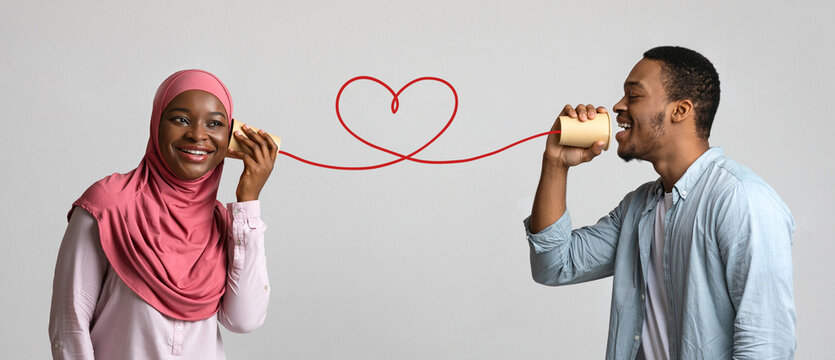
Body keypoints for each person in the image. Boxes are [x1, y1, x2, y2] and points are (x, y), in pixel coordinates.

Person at [525, 46, 795, 359]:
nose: (617, 106)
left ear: (680, 110)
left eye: (633, 95)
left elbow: (766, 347)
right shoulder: (638, 207)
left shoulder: (742, 200)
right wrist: (555, 163)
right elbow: (554, 265)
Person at [48, 69, 279, 359]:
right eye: (180, 119)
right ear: (157, 123)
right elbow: (70, 325)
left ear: (230, 136)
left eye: (215, 123)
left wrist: (248, 202)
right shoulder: (109, 206)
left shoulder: (224, 223)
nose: (197, 134)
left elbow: (244, 319)